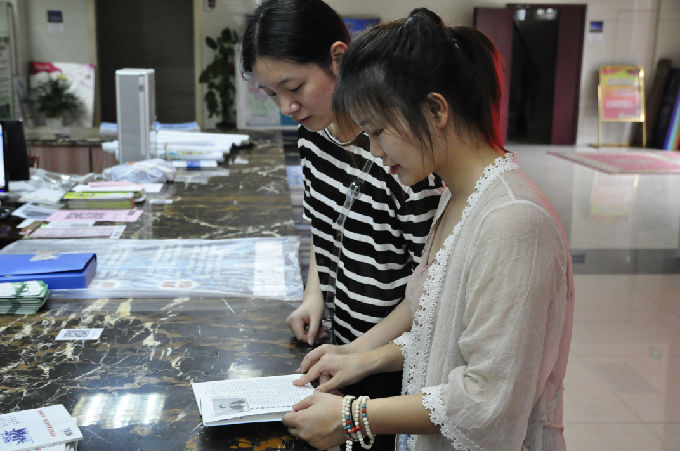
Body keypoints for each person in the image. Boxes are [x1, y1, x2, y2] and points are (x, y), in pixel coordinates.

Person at [282, 8, 574, 451]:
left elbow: (487, 403)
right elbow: (440, 334)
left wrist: (353, 416)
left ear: (436, 109)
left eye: (378, 131)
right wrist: (361, 358)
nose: (375, 151)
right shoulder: (459, 198)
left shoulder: (514, 222)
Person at [242, 3, 443, 449]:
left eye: (294, 87)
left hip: (394, 360)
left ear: (338, 57)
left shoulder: (403, 154)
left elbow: (431, 284)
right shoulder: (313, 135)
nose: (287, 107)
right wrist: (314, 296)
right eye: (272, 94)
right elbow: (324, 223)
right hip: (344, 346)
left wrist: (361, 352)